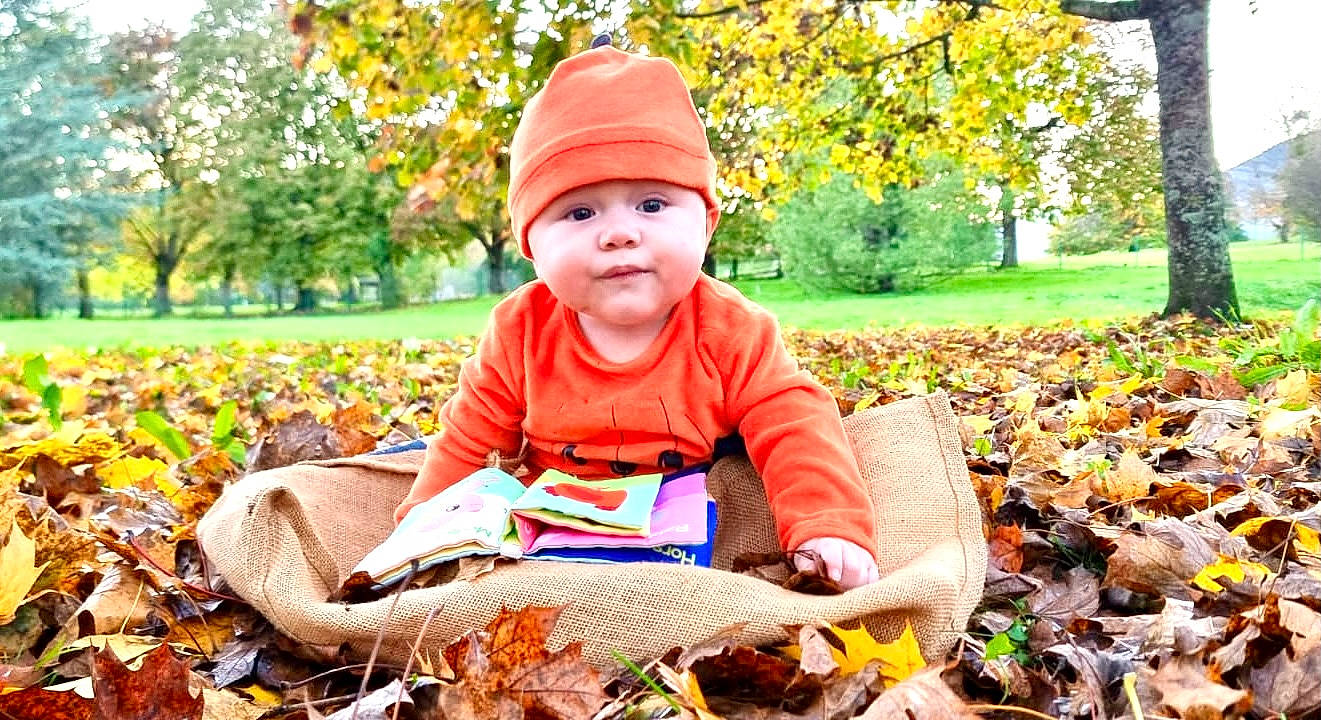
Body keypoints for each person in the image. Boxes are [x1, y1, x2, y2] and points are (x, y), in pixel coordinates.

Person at [395, 36, 881, 589]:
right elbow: (468, 442)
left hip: (690, 510)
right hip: (556, 523)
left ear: (706, 222)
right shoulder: (520, 330)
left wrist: (827, 525)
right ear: (531, 245)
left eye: (652, 205)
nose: (620, 233)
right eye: (580, 212)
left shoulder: (728, 327)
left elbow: (792, 419)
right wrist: (419, 537)